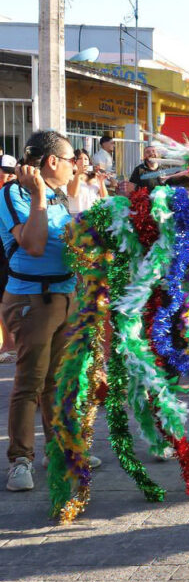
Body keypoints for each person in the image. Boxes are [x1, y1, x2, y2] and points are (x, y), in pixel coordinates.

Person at [0, 131, 97, 492]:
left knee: (57, 381)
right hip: (32, 302)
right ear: (52, 161)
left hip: (63, 296)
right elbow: (35, 245)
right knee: (29, 382)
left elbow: (65, 241)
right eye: (73, 159)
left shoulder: (56, 197)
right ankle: (20, 459)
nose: (77, 166)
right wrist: (39, 194)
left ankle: (58, 449)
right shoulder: (15, 194)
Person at [0, 154, 17, 364]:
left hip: (9, 249)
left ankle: (11, 344)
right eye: (4, 170)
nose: (7, 175)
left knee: (6, 295)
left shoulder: (14, 191)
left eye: (11, 171)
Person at [67, 150, 108, 215]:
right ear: (74, 161)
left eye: (86, 159)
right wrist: (78, 174)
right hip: (77, 215)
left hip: (94, 214)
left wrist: (101, 181)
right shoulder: (70, 176)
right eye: (79, 159)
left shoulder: (94, 176)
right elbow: (73, 194)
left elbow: (105, 197)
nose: (83, 161)